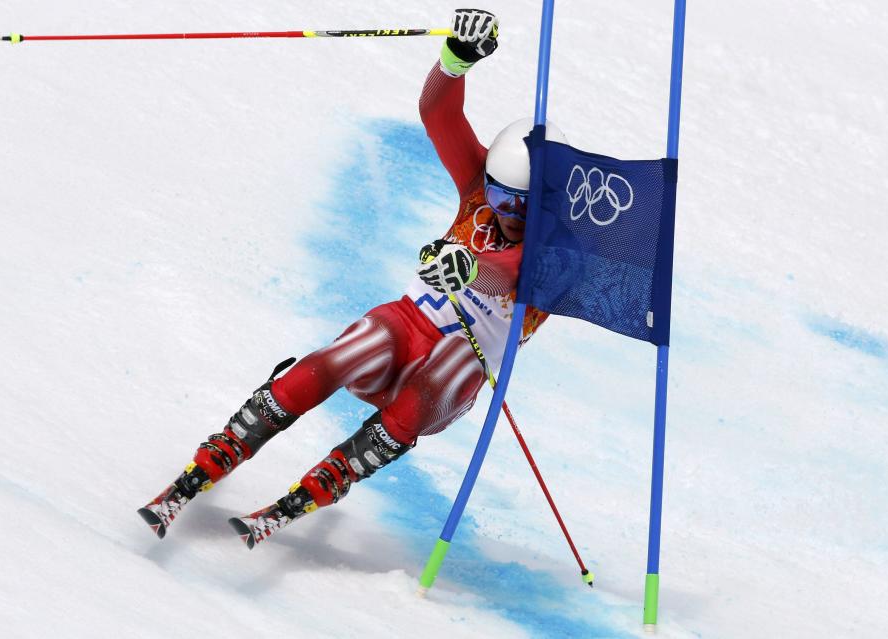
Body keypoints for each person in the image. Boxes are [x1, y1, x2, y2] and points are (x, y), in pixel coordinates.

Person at [138, 8, 567, 548]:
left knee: (435, 382)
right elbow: (437, 115)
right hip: (412, 321)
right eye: (500, 195)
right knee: (334, 359)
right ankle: (208, 463)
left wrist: (472, 269)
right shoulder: (480, 188)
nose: (505, 211)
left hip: (469, 353)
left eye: (521, 206)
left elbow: (516, 273)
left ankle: (314, 490)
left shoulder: (561, 241)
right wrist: (454, 63)